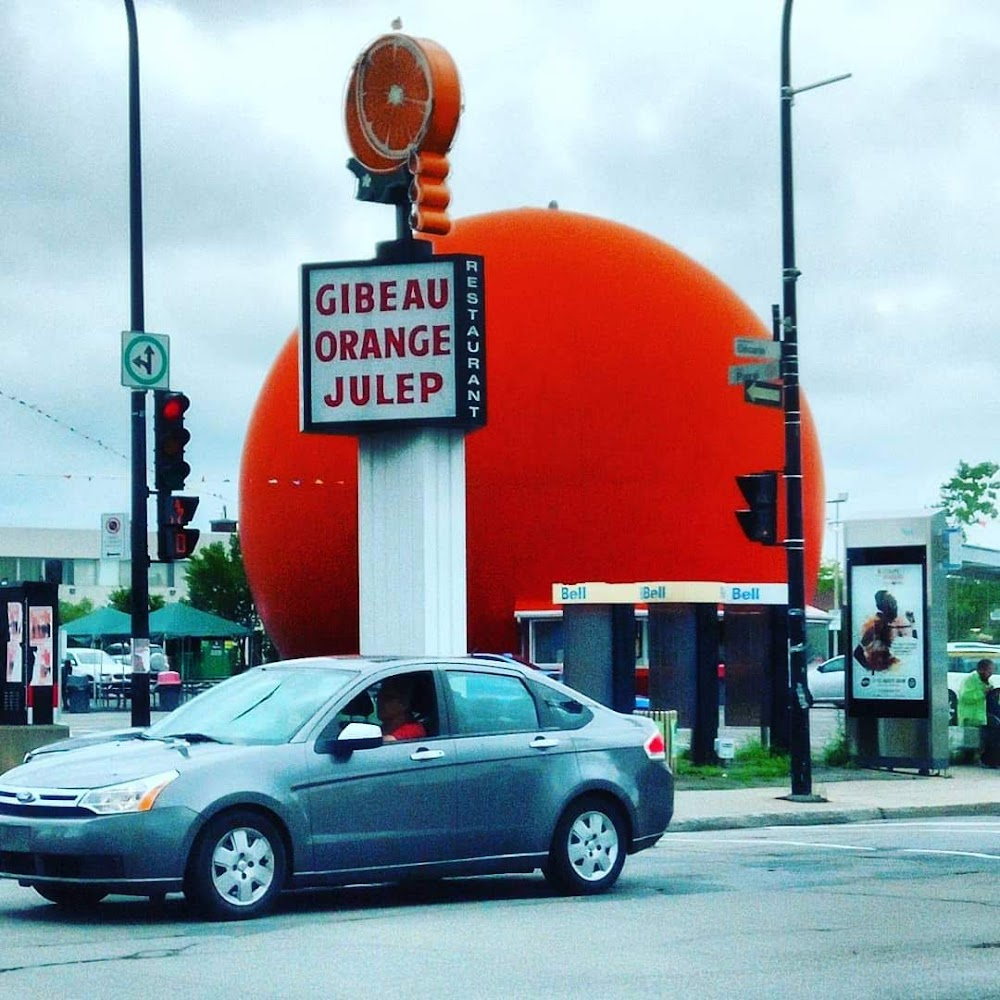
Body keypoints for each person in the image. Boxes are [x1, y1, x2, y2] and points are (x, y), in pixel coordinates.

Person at [375, 675, 427, 742]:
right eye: (378, 696)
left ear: (403, 703)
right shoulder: (384, 727)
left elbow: (387, 741)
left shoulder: (413, 730)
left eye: (387, 697)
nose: (379, 701)